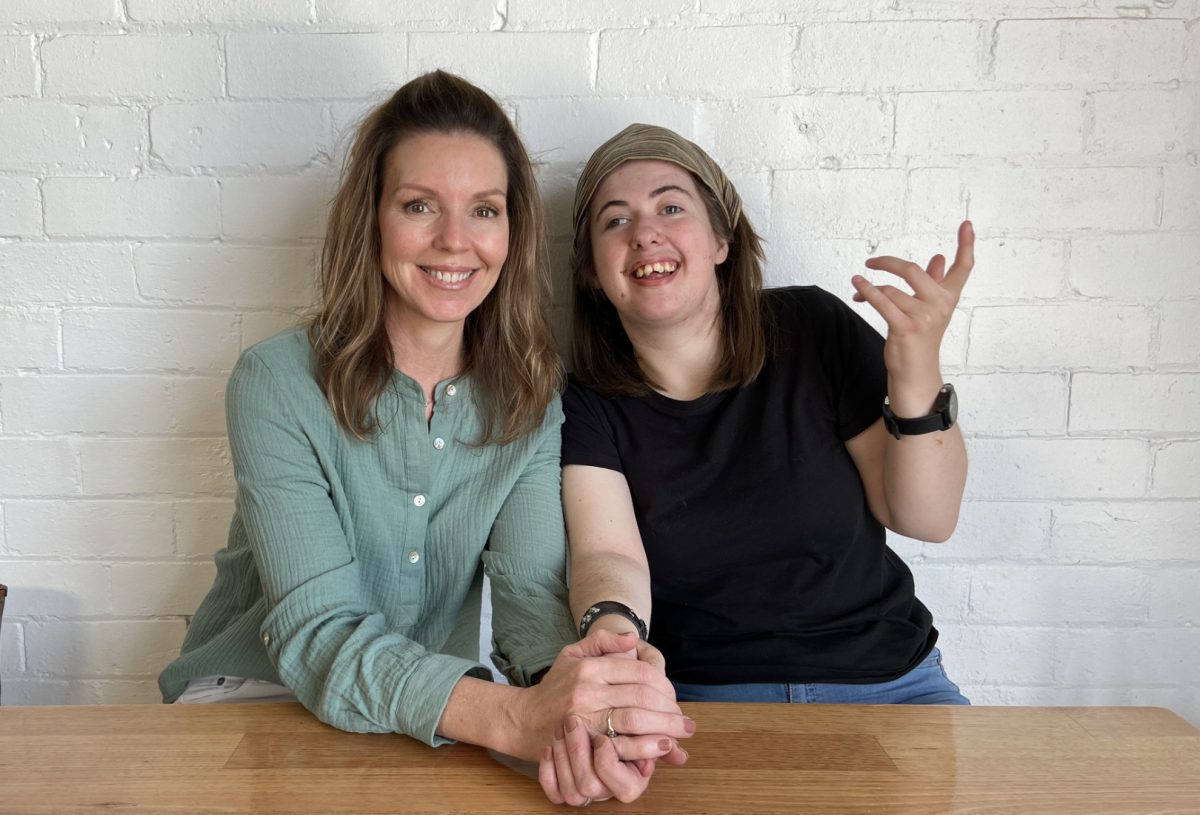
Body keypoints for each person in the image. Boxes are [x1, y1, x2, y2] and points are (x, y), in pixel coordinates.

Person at [158, 76, 692, 801]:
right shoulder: (276, 381)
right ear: (372, 220)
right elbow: (319, 634)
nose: (454, 241)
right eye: (419, 206)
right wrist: (512, 715)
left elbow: (533, 606)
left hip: (417, 721)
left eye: (484, 210)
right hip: (250, 701)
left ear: (513, 231)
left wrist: (592, 714)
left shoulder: (532, 401)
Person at [541, 122, 972, 795]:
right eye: (614, 220)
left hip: (892, 687)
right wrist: (612, 634)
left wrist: (916, 374)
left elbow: (925, 515)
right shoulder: (588, 402)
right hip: (700, 711)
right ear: (594, 275)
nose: (644, 232)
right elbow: (610, 557)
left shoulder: (812, 328)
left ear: (721, 240)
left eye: (670, 207)